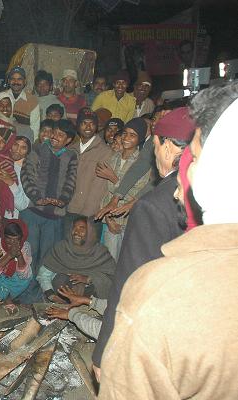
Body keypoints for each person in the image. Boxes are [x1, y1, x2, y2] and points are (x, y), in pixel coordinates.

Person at [97, 83, 238, 400]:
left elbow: (127, 283)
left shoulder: (161, 291)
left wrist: (104, 353)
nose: (182, 173)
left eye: (194, 157)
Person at [92, 106, 195, 374]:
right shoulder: (209, 193)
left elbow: (129, 285)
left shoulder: (154, 206)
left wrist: (104, 351)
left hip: (157, 327)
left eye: (156, 144)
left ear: (169, 146)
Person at [20, 119, 78, 274]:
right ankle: (26, 293)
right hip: (33, 211)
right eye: (54, 132)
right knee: (28, 254)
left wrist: (62, 201)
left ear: (69, 140)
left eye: (60, 135)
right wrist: (37, 197)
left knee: (48, 257)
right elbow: (26, 174)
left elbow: (71, 182)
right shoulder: (37, 149)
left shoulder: (71, 156)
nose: (54, 136)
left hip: (55, 216)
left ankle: (43, 292)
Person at [98, 118, 151, 260]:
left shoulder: (143, 162)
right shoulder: (114, 157)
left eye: (132, 135)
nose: (126, 138)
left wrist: (114, 178)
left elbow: (136, 194)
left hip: (130, 221)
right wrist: (108, 217)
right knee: (109, 261)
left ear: (140, 138)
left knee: (126, 261)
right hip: (111, 220)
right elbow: (105, 192)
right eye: (125, 133)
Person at [38, 216, 116, 301]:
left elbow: (111, 278)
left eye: (82, 228)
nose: (76, 232)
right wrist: (51, 295)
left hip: (91, 302)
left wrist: (88, 279)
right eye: (74, 228)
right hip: (62, 299)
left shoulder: (100, 252)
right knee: (61, 279)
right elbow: (43, 275)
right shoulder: (61, 248)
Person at [65, 109, 113, 238]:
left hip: (89, 215)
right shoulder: (70, 149)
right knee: (67, 251)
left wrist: (86, 217)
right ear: (78, 126)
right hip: (68, 210)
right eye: (84, 123)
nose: (87, 126)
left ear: (96, 126)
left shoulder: (105, 151)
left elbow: (99, 187)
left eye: (91, 123)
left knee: (87, 253)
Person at [0, 219, 32, 314]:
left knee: (28, 276)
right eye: (8, 238)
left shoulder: (25, 246)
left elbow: (25, 275)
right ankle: (3, 298)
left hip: (11, 281)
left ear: (21, 238)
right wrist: (9, 255)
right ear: (3, 236)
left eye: (16, 239)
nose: (12, 243)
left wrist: (19, 255)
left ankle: (3, 298)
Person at [1, 66, 40, 139]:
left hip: (21, 145)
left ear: (25, 81)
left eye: (19, 79)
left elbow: (34, 129)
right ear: (9, 81)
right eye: (13, 79)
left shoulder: (32, 101)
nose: (16, 82)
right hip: (2, 142)